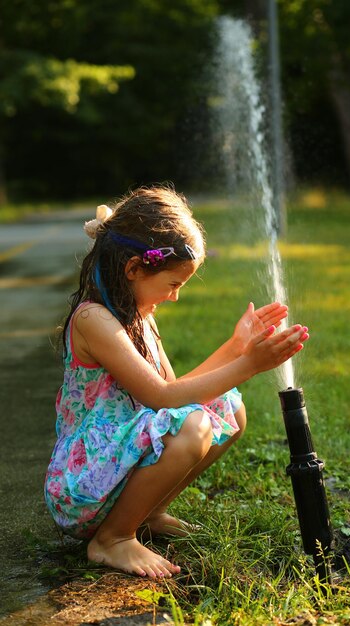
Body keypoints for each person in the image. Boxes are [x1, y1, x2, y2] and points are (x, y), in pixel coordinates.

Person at [44, 185, 309, 579]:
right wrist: (250, 365)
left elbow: (175, 387)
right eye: (172, 284)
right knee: (193, 426)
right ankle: (113, 538)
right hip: (83, 483)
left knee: (228, 409)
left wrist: (236, 348)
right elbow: (162, 397)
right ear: (134, 268)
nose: (175, 297)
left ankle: (146, 514)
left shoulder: (139, 316)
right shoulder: (94, 320)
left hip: (117, 461)